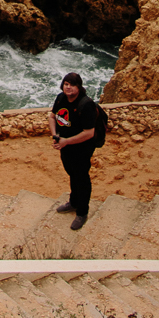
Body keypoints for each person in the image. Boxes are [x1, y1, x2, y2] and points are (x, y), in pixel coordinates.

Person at [49, 70, 98, 230]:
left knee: (81, 177)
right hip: (66, 145)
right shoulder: (61, 98)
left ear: (79, 87)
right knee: (72, 173)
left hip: (82, 147)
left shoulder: (86, 105)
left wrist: (66, 141)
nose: (68, 88)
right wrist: (55, 136)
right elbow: (52, 117)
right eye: (66, 84)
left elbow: (89, 133)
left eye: (72, 85)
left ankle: (82, 212)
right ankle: (74, 202)